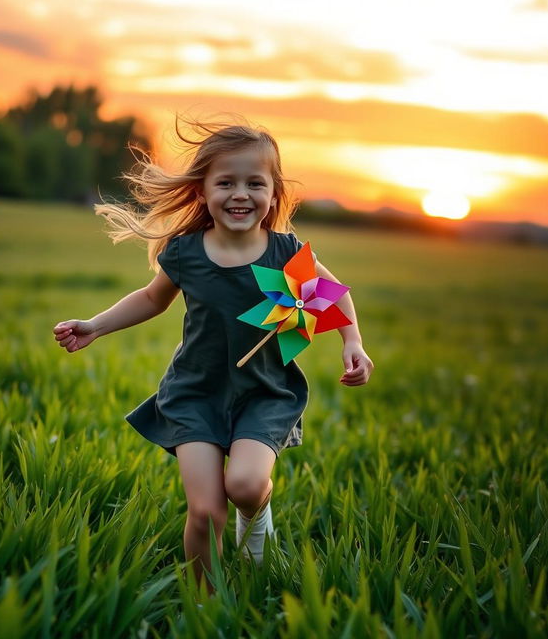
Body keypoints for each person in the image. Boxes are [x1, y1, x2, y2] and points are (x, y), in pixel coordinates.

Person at [52, 115, 374, 595]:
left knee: (244, 485)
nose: (240, 193)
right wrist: (95, 326)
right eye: (226, 182)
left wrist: (353, 342)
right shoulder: (186, 253)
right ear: (202, 191)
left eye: (254, 183)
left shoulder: (285, 251)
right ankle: (207, 605)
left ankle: (257, 519)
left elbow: (327, 294)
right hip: (196, 391)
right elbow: (150, 298)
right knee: (204, 511)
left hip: (264, 391)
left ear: (273, 192)